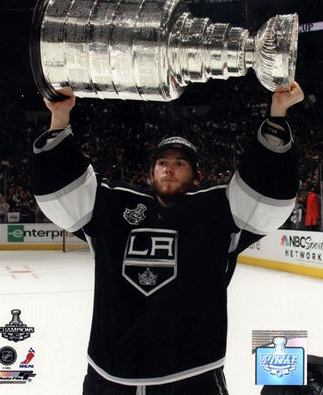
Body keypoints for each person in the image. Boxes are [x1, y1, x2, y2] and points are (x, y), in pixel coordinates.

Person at [32, 82, 304, 394]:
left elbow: (266, 196)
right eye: (162, 163)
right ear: (151, 173)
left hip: (192, 376)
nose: (169, 169)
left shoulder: (218, 209)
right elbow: (61, 195)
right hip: (110, 375)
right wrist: (60, 118)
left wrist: (277, 114)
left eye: (180, 163)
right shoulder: (114, 203)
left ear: (196, 176)